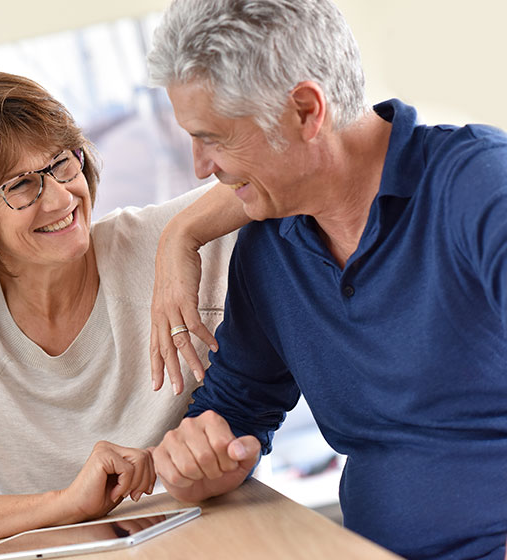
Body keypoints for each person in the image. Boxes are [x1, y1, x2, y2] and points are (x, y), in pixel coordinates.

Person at [145, 1, 507, 559]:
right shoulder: (269, 247)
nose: (200, 167)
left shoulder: (480, 189)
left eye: (213, 137)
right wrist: (197, 464)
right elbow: (236, 410)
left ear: (306, 112)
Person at [0, 70, 246, 551]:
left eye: (61, 164)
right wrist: (63, 504)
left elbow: (288, 164)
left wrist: (183, 236)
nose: (60, 198)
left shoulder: (158, 243)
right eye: (21, 186)